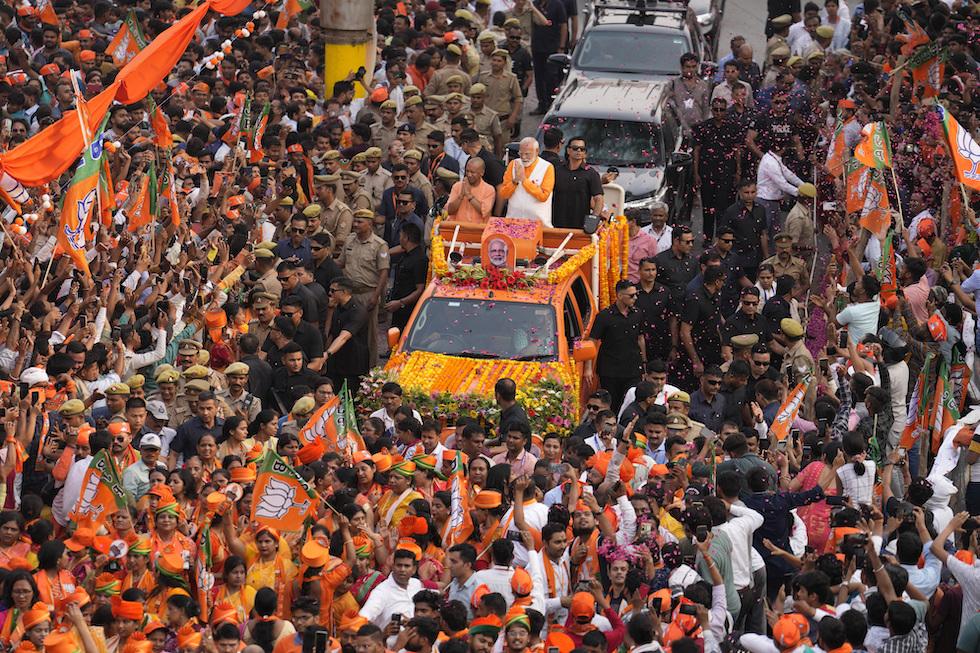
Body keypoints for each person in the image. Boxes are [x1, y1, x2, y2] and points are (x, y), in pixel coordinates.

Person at [585, 280, 645, 410]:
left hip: (632, 369)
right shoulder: (604, 316)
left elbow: (640, 339)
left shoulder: (637, 314)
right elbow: (592, 342)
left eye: (636, 294)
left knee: (630, 405)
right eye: (631, 295)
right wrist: (588, 368)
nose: (635, 298)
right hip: (610, 370)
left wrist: (644, 363)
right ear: (620, 296)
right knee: (611, 406)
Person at [500, 137, 555, 226]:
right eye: (521, 153)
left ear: (537, 151)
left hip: (538, 224)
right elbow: (503, 194)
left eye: (527, 154)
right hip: (513, 222)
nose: (523, 157)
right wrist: (515, 182)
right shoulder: (513, 164)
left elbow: (543, 196)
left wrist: (524, 181)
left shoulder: (547, 167)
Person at [445, 158, 494, 223]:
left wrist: (469, 195)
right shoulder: (457, 186)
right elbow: (449, 211)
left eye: (472, 172)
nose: (469, 175)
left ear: (482, 172)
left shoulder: (489, 190)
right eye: (467, 171)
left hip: (478, 230)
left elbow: (483, 211)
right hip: (457, 229)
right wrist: (461, 196)